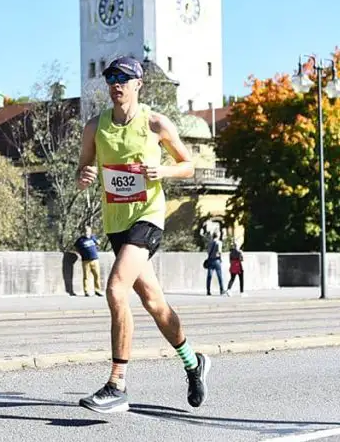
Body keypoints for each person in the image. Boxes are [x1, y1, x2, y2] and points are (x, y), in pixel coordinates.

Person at [76, 56, 209, 414]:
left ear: (138, 84)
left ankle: (117, 383)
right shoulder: (95, 127)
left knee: (116, 287)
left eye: (124, 78)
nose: (116, 83)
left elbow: (188, 164)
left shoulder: (154, 123)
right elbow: (83, 168)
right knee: (154, 303)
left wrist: (162, 169)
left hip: (148, 217)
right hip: (116, 223)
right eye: (111, 78)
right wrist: (84, 176)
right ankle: (193, 363)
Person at [73, 226, 103, 297]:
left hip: (95, 259)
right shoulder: (80, 240)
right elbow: (75, 247)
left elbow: (98, 243)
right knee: (86, 277)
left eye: (88, 231)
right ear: (83, 232)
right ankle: (86, 291)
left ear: (90, 231)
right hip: (86, 261)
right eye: (85, 231)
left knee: (97, 275)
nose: (87, 232)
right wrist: (80, 253)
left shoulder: (93, 237)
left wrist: (98, 242)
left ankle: (97, 290)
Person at [206, 231, 225, 296]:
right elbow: (219, 252)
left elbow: (208, 252)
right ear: (218, 236)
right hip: (217, 260)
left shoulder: (210, 242)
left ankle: (208, 291)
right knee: (219, 276)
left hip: (210, 260)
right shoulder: (219, 242)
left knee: (209, 276)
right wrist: (220, 258)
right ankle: (221, 290)